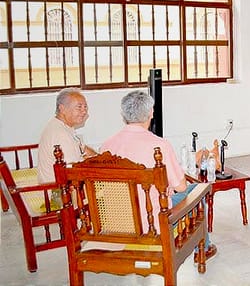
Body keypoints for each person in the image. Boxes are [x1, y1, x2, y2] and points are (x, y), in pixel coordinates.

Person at [100, 91, 217, 260]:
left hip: (118, 222)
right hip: (151, 223)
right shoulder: (159, 146)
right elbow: (181, 187)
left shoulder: (106, 147)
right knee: (197, 190)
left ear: (123, 115)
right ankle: (203, 250)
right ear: (151, 113)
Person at [38, 88, 97, 184]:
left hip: (64, 185)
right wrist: (91, 162)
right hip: (58, 192)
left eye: (85, 107)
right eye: (79, 107)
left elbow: (84, 149)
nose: (84, 111)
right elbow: (73, 170)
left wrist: (97, 158)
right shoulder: (60, 134)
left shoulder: (64, 126)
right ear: (62, 108)